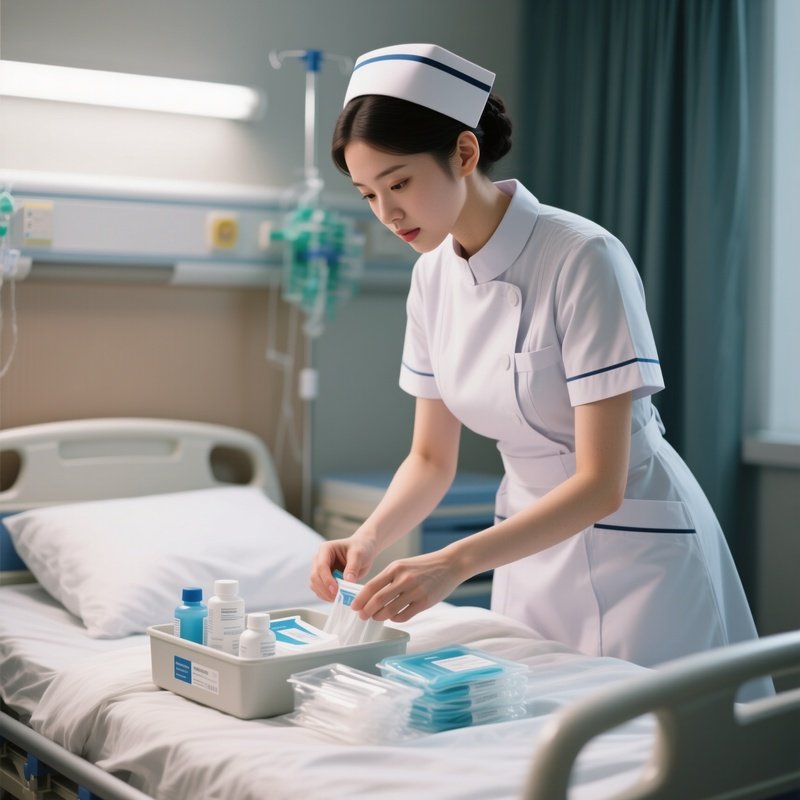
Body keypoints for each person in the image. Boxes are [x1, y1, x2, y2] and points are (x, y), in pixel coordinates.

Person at [310, 42, 762, 677]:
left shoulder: (581, 257)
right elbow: (431, 459)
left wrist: (455, 561)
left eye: (400, 183)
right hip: (523, 543)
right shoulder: (431, 279)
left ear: (464, 153)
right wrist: (369, 537)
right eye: (366, 195)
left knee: (663, 755)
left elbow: (601, 484)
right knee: (539, 742)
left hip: (635, 549)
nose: (387, 214)